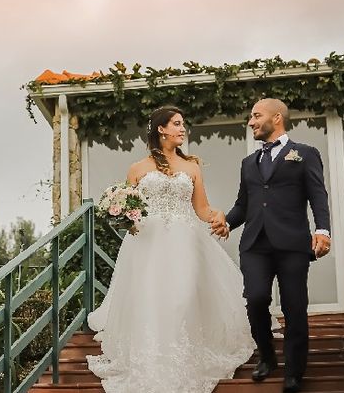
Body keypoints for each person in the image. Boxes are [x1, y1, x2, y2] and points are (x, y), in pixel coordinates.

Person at [86, 106, 254, 393]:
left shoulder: (192, 167)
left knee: (183, 294)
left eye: (183, 124)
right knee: (152, 297)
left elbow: (201, 209)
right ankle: (153, 356)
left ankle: (184, 353)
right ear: (161, 129)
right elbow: (131, 211)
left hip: (185, 241)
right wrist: (123, 215)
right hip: (148, 244)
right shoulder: (137, 169)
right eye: (176, 124)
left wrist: (220, 218)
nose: (182, 128)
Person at [212, 98, 331, 393]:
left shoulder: (305, 154)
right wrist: (226, 221)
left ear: (276, 118)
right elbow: (244, 204)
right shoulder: (248, 163)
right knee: (255, 299)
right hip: (255, 244)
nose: (251, 122)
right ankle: (266, 356)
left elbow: (318, 195)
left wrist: (323, 230)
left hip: (292, 243)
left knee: (294, 307)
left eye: (256, 116)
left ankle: (294, 371)